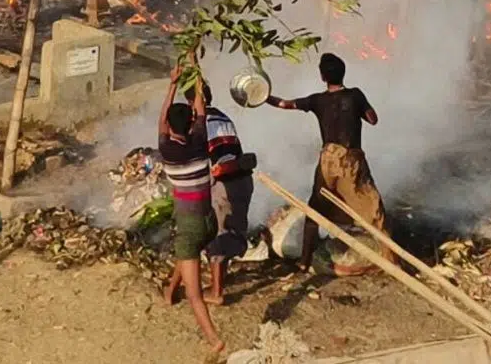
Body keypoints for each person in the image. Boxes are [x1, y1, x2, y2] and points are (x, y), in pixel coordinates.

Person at [266, 52, 395, 271]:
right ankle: (391, 261)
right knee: (373, 209)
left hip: (328, 161)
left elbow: (285, 104)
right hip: (351, 161)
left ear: (323, 77)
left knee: (315, 208)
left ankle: (304, 261)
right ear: (343, 74)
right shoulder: (355, 95)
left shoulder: (317, 100)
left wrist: (263, 97)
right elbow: (373, 119)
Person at [157, 64, 222, 355]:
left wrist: (172, 84)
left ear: (171, 128)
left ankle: (214, 340)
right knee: (188, 255)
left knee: (195, 294)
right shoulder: (199, 142)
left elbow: (162, 119)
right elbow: (201, 110)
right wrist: (196, 72)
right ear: (192, 123)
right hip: (210, 220)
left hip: (189, 222)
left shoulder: (167, 149)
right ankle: (169, 292)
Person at [184, 81, 254, 305]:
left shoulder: (202, 124)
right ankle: (220, 278)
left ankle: (216, 293)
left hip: (225, 185)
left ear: (192, 103)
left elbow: (207, 162)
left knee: (218, 236)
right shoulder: (223, 117)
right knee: (232, 230)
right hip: (243, 181)